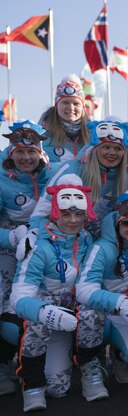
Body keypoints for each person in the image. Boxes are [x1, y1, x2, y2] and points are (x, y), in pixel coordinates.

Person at [10, 175, 107, 412]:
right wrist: (45, 312)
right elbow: (19, 298)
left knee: (93, 311)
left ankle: (89, 371)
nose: (73, 220)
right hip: (44, 320)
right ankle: (32, 386)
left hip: (74, 315)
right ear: (55, 212)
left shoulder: (86, 239)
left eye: (79, 214)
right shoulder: (37, 245)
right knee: (36, 319)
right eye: (66, 214)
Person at [75, 189, 128, 384]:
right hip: (103, 315)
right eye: (127, 223)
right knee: (87, 314)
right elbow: (84, 289)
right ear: (117, 223)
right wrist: (120, 302)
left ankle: (119, 356)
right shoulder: (102, 248)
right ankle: (90, 364)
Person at [0, 121, 51, 396]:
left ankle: (29, 362)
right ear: (11, 153)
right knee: (4, 307)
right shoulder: (1, 179)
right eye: (20, 152)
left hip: (39, 252)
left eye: (32, 152)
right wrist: (12, 237)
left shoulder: (50, 176)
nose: (26, 158)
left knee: (30, 311)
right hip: (7, 253)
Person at [30, 120, 128, 238]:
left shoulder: (125, 180)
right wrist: (32, 234)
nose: (112, 152)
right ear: (95, 149)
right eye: (106, 147)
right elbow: (43, 208)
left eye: (118, 149)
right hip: (60, 237)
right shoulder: (72, 168)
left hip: (94, 240)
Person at [40, 75, 90, 163]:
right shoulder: (42, 136)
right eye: (65, 102)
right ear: (57, 105)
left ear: (83, 107)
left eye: (76, 103)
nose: (71, 107)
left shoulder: (93, 136)